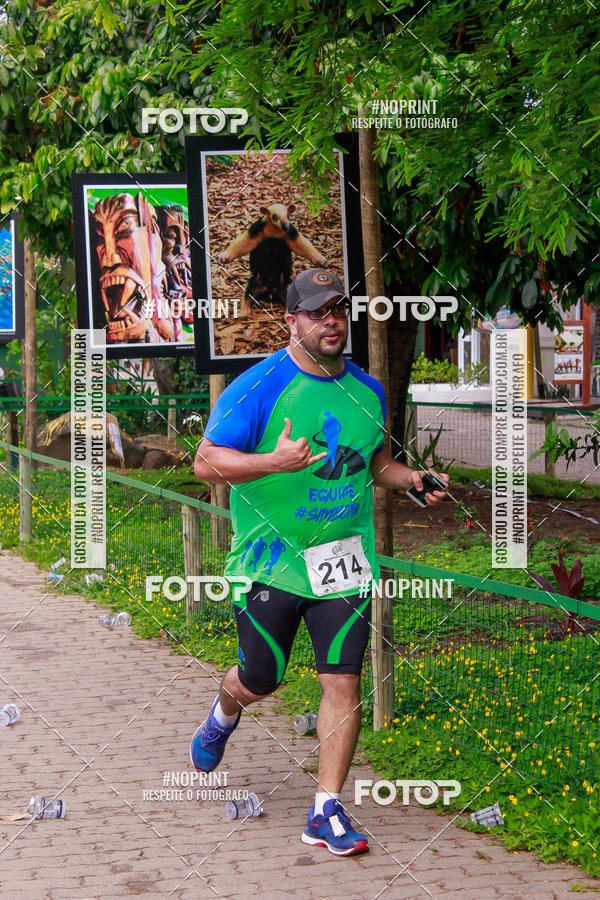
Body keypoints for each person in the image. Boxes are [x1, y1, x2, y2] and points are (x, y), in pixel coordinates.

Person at [191, 267, 449, 856]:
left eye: (339, 309)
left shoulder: (368, 389)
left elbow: (371, 463)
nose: (331, 321)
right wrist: (273, 463)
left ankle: (325, 810)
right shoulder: (257, 387)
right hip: (271, 562)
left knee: (343, 680)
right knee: (262, 677)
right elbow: (206, 463)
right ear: (292, 321)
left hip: (343, 560)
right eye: (316, 312)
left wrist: (412, 479)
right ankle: (224, 710)